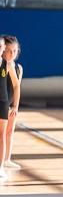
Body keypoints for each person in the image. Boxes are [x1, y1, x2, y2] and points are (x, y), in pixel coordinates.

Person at [0, 35, 22, 182]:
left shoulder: (17, 68)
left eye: (15, 50)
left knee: (9, 132)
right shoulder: (5, 65)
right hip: (4, 103)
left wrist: (15, 105)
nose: (12, 53)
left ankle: (6, 159)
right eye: (9, 50)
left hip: (10, 103)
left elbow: (17, 87)